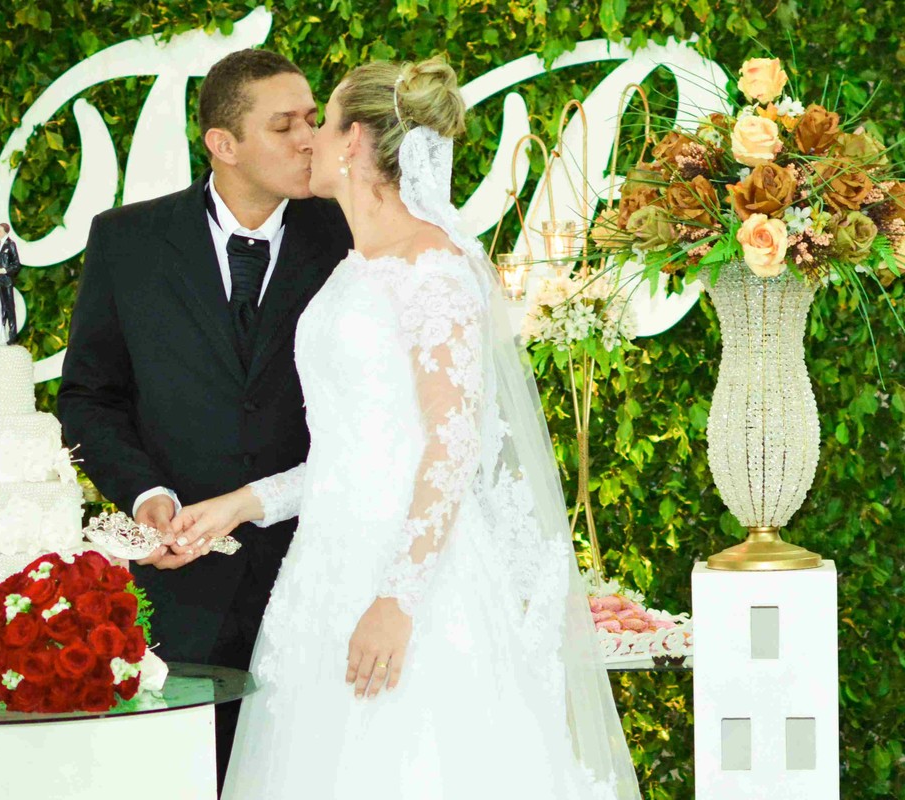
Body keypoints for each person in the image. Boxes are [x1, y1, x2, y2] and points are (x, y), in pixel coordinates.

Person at [167, 57, 642, 799]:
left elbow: (453, 447)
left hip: (412, 581)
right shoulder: (355, 267)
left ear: (354, 141)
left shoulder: (434, 268)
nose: (310, 141)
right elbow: (355, 450)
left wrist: (397, 600)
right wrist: (240, 504)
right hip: (323, 578)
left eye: (320, 123)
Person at [57, 49, 352, 788]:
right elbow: (89, 398)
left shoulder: (353, 236)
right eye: (284, 125)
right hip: (178, 590)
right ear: (222, 144)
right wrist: (147, 498)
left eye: (314, 118)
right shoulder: (126, 241)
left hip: (320, 574)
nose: (310, 138)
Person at [0, 222, 23, 344]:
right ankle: (1, 332)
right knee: (1, 306)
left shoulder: (11, 244)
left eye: (0, 230)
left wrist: (4, 270)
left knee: (9, 307)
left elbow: (16, 264)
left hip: (6, 280)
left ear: (5, 231)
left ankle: (13, 335)